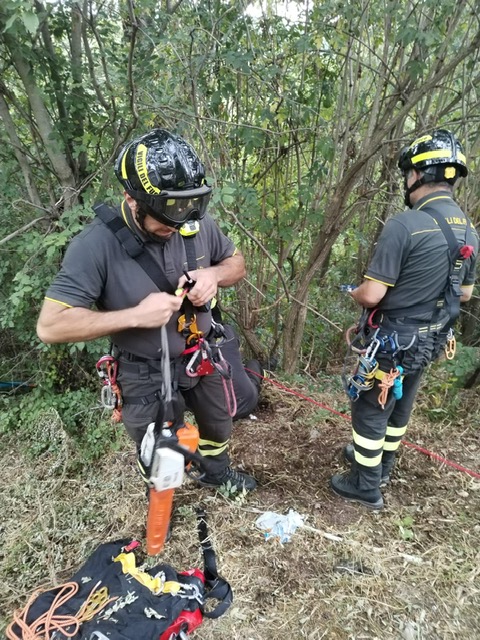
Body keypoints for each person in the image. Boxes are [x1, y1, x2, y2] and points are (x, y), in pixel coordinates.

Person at [37, 128, 257, 491]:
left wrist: (213, 275)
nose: (178, 224)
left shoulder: (191, 221)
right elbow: (51, 326)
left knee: (218, 425)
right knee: (159, 453)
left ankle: (216, 475)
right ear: (133, 199)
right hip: (144, 372)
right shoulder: (95, 247)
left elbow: (237, 263)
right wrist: (136, 315)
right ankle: (162, 507)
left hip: (200, 353)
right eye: (166, 216)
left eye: (186, 211)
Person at [330, 129, 478, 510]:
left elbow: (373, 294)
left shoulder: (405, 224)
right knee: (400, 401)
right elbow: (464, 295)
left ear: (417, 175)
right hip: (430, 338)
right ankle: (384, 466)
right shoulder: (469, 231)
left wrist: (351, 291)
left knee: (370, 407)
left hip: (393, 340)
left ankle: (365, 483)